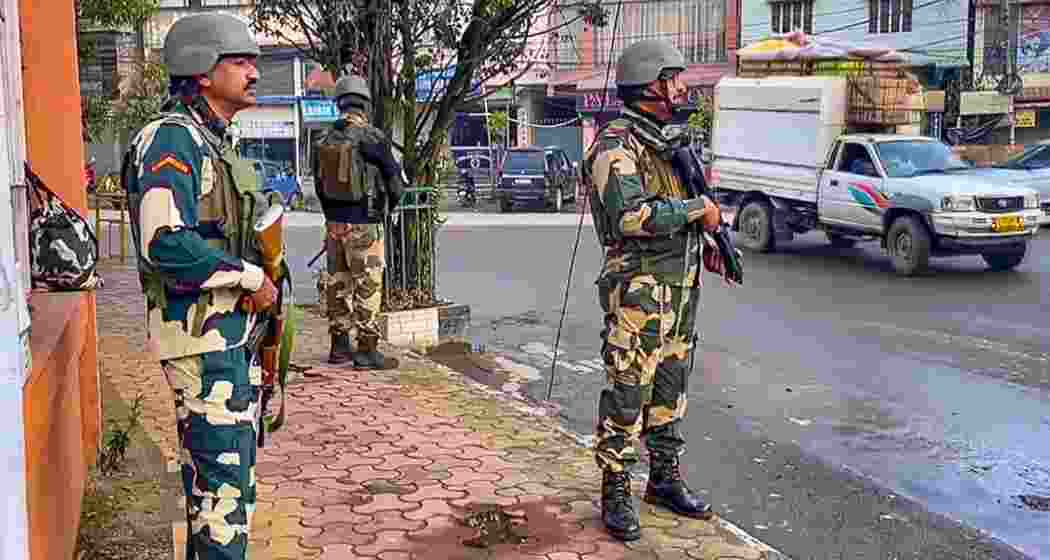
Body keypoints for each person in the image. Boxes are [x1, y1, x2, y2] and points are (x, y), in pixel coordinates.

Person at [121, 13, 277, 560]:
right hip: (200, 343)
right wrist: (250, 277)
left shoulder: (211, 140)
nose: (254, 72)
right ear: (201, 71)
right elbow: (163, 242)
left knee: (221, 497)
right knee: (224, 505)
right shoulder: (172, 139)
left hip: (226, 342)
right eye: (240, 61)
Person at [581, 39, 739, 541]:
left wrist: (705, 241)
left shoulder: (666, 143)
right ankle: (616, 490)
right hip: (638, 295)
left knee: (670, 388)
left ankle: (664, 481)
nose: (682, 86)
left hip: (677, 289)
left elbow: (675, 205)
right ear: (650, 85)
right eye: (674, 78)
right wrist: (700, 213)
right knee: (629, 391)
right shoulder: (616, 145)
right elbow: (632, 217)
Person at [311, 73, 403, 369]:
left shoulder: (323, 138)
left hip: (334, 226)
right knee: (368, 287)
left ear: (339, 103)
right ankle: (366, 350)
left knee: (338, 285)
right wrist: (387, 208)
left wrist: (332, 219)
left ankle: (339, 347)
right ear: (365, 103)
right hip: (365, 223)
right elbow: (395, 182)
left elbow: (318, 184)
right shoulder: (372, 137)